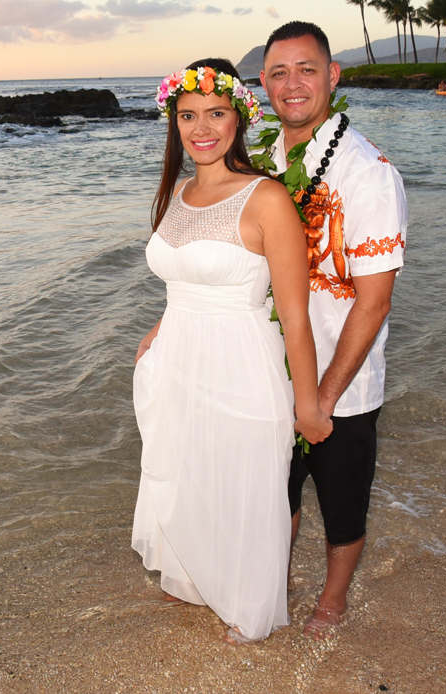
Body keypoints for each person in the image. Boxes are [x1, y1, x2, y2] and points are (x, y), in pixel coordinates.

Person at [131, 58, 333, 643]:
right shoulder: (178, 190)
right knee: (190, 474)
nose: (202, 128)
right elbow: (184, 278)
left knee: (242, 484)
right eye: (188, 115)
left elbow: (294, 313)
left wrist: (309, 404)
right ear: (174, 122)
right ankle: (196, 580)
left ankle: (247, 602)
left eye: (216, 113)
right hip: (179, 361)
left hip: (241, 362)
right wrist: (161, 326)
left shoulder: (265, 197)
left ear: (239, 117)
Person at [259, 21, 408, 638]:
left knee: (342, 503)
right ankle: (269, 584)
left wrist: (323, 398)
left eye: (307, 70)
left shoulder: (367, 172)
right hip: (270, 369)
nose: (293, 85)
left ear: (333, 76)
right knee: (275, 496)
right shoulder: (266, 159)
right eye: (278, 73)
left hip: (339, 384)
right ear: (263, 83)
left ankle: (333, 601)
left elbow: (372, 303)